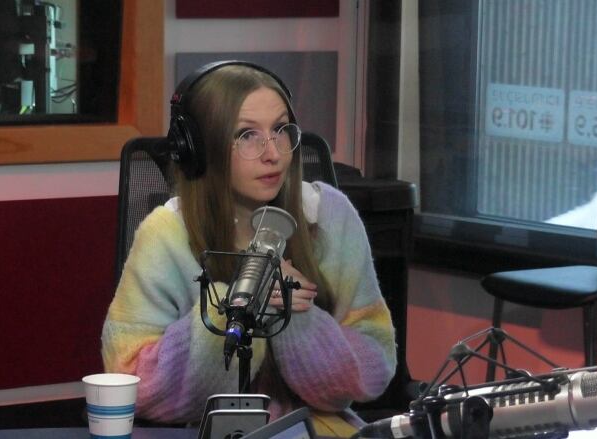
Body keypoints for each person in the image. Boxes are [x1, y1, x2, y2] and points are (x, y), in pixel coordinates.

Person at [101, 61, 397, 433]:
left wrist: (294, 316)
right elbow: (131, 382)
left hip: (314, 426)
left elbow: (373, 368)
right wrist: (238, 307)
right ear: (199, 149)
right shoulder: (166, 234)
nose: (272, 153)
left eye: (279, 130)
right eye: (246, 135)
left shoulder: (329, 217)